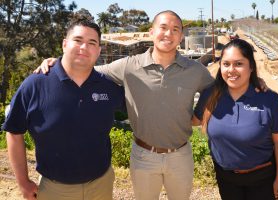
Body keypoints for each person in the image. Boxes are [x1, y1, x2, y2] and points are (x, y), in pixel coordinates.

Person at [36, 10, 214, 200]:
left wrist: (199, 115)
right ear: (151, 32)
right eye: (163, 28)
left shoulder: (195, 70)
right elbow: (87, 69)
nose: (168, 34)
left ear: (181, 36)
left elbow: (212, 87)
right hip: (144, 155)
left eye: (175, 29)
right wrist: (58, 62)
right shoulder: (129, 66)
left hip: (181, 154)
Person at [2, 19, 125, 200]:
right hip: (54, 189)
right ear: (64, 44)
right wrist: (23, 182)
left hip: (102, 185)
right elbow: (13, 131)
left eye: (92, 43)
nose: (84, 47)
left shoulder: (109, 86)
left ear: (98, 51)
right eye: (78, 40)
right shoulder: (35, 84)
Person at [192, 39, 278, 200]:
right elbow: (193, 120)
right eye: (226, 64)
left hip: (262, 179)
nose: (231, 70)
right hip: (226, 179)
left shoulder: (270, 100)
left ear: (251, 67)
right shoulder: (210, 95)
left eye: (238, 64)